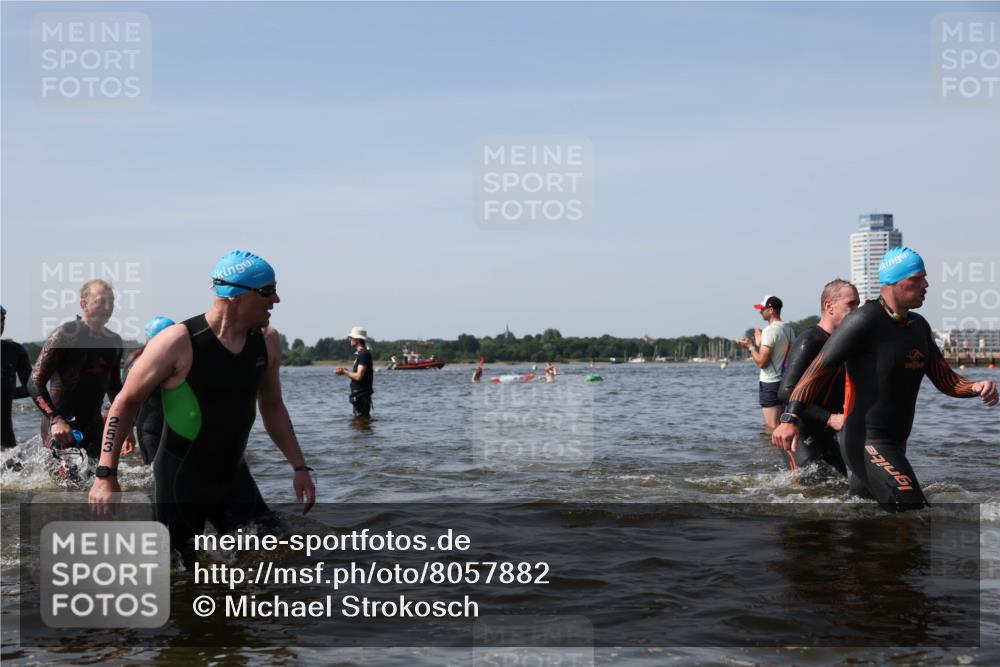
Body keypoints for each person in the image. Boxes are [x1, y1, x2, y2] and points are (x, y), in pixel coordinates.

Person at [88, 251, 315, 563]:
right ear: (235, 295)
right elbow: (125, 402)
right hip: (181, 481)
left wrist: (299, 467)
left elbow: (273, 406)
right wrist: (105, 474)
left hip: (234, 477)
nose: (276, 299)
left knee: (282, 555)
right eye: (266, 290)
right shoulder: (177, 342)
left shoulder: (268, 341)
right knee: (177, 574)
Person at [773, 248, 998, 512]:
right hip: (866, 439)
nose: (926, 285)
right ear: (894, 282)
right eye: (917, 278)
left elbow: (944, 379)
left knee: (868, 523)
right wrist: (790, 419)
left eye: (925, 278)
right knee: (914, 514)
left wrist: (975, 387)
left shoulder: (919, 326)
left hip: (896, 441)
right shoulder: (864, 321)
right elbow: (817, 371)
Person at [28, 279, 134, 460]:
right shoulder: (66, 334)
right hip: (62, 426)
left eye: (111, 302)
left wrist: (127, 428)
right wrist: (55, 419)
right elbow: (35, 381)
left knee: (100, 479)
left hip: (94, 425)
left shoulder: (114, 341)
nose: (108, 307)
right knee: (65, 486)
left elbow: (115, 390)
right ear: (83, 304)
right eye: (101, 301)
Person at [775, 280, 860, 474]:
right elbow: (786, 391)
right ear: (829, 306)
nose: (856, 311)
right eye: (851, 304)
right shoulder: (810, 340)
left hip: (827, 432)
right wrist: (829, 418)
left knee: (841, 487)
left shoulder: (845, 343)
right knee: (808, 493)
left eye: (858, 304)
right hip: (801, 431)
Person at [736, 295, 796, 432]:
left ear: (770, 310)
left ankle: (771, 453)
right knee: (783, 424)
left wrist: (750, 347)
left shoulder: (770, 330)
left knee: (772, 428)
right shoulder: (789, 329)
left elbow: (762, 362)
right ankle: (780, 452)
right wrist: (759, 340)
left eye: (762, 309)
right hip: (786, 382)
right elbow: (777, 352)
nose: (760, 312)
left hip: (770, 383)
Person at [122, 316, 175, 465]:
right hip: (151, 427)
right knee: (156, 475)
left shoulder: (135, 358)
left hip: (166, 425)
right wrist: (128, 432)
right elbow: (124, 399)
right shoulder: (141, 361)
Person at [1, 305, 32, 450]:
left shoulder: (15, 350)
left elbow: (31, 388)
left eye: (2, 320)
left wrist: (7, 392)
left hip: (6, 442)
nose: (0, 325)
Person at [335, 327, 374, 417]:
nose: (349, 339)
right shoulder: (363, 354)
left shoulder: (363, 354)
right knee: (360, 425)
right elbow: (358, 375)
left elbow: (359, 376)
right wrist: (345, 371)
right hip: (360, 396)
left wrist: (345, 372)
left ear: (357, 339)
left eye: (351, 337)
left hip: (361, 396)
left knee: (360, 426)